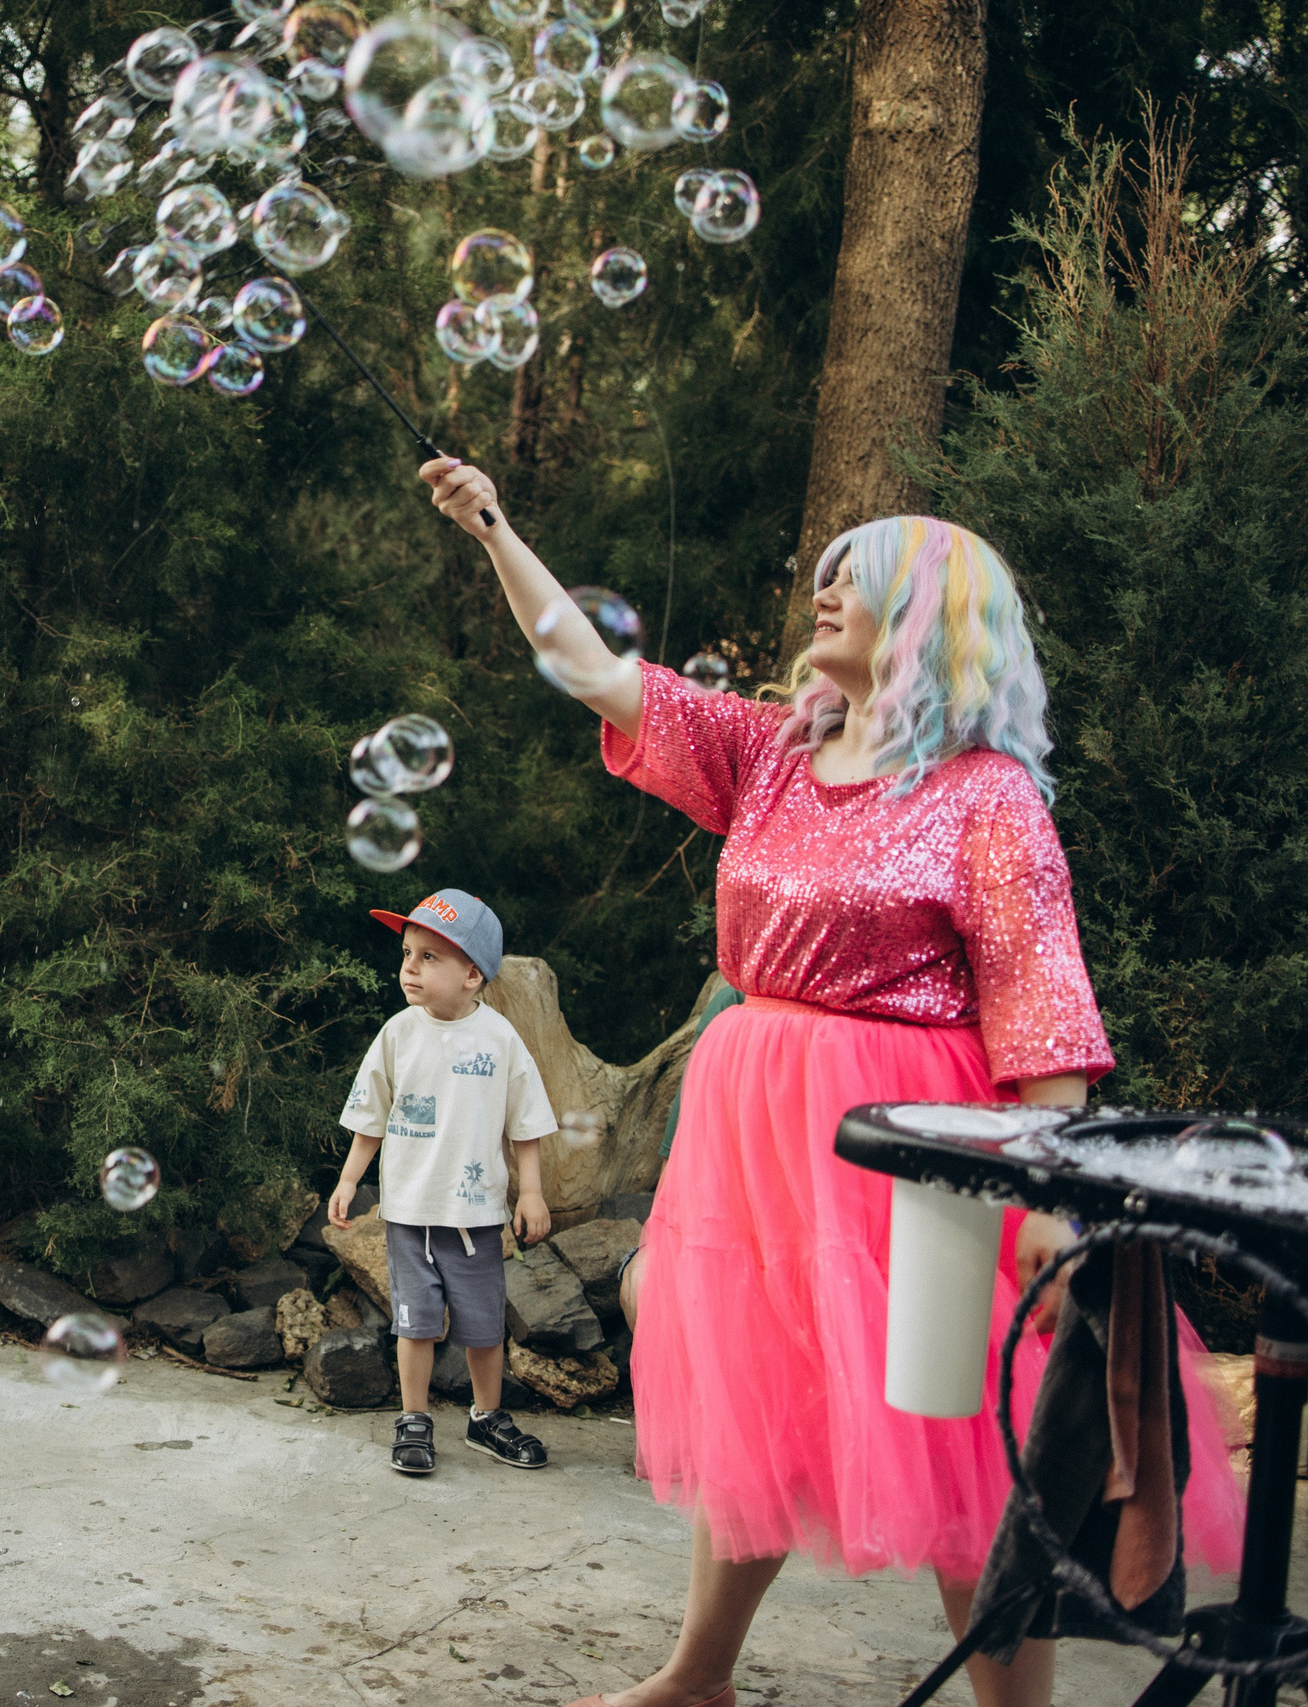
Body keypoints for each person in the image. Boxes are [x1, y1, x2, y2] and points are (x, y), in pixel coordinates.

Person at [416, 465, 1242, 1707]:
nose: (825, 589)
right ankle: (698, 1675)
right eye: (825, 573)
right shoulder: (770, 752)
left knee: (961, 1437)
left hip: (924, 1138)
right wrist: (493, 526)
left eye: (858, 575)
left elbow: (1042, 1007)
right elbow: (591, 670)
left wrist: (1043, 1185)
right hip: (756, 1121)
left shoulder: (987, 793)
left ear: (931, 613)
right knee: (757, 1389)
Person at [330, 886, 558, 1476]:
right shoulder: (398, 1034)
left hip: (476, 1215)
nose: (409, 967)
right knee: (416, 1324)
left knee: (484, 1325)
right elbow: (370, 1118)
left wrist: (530, 1192)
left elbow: (525, 1121)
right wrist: (350, 1181)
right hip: (408, 1210)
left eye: (429, 956)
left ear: (472, 976)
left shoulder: (500, 1039)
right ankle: (414, 1418)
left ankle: (487, 1418)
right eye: (408, 953)